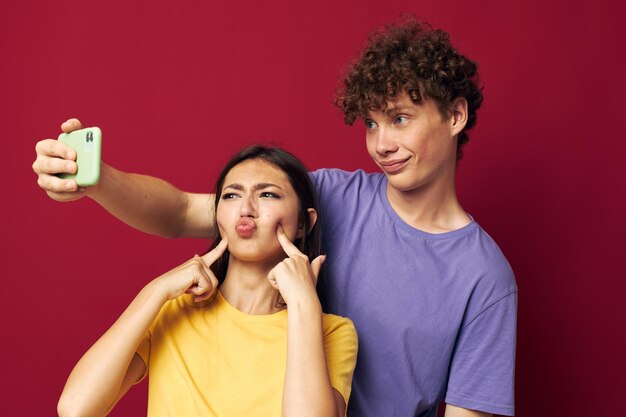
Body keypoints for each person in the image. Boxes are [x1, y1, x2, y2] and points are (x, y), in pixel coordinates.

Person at [35, 17, 517, 417]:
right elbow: (183, 210)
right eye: (371, 123)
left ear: (455, 116)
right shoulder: (329, 194)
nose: (381, 144)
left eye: (400, 119)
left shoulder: (485, 279)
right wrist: (98, 182)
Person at [56, 145, 358, 417]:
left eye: (267, 194)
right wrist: (156, 291)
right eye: (231, 195)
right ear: (218, 215)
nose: (246, 208)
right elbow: (75, 408)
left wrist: (304, 303)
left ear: (304, 223)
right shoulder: (173, 311)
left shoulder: (332, 332)